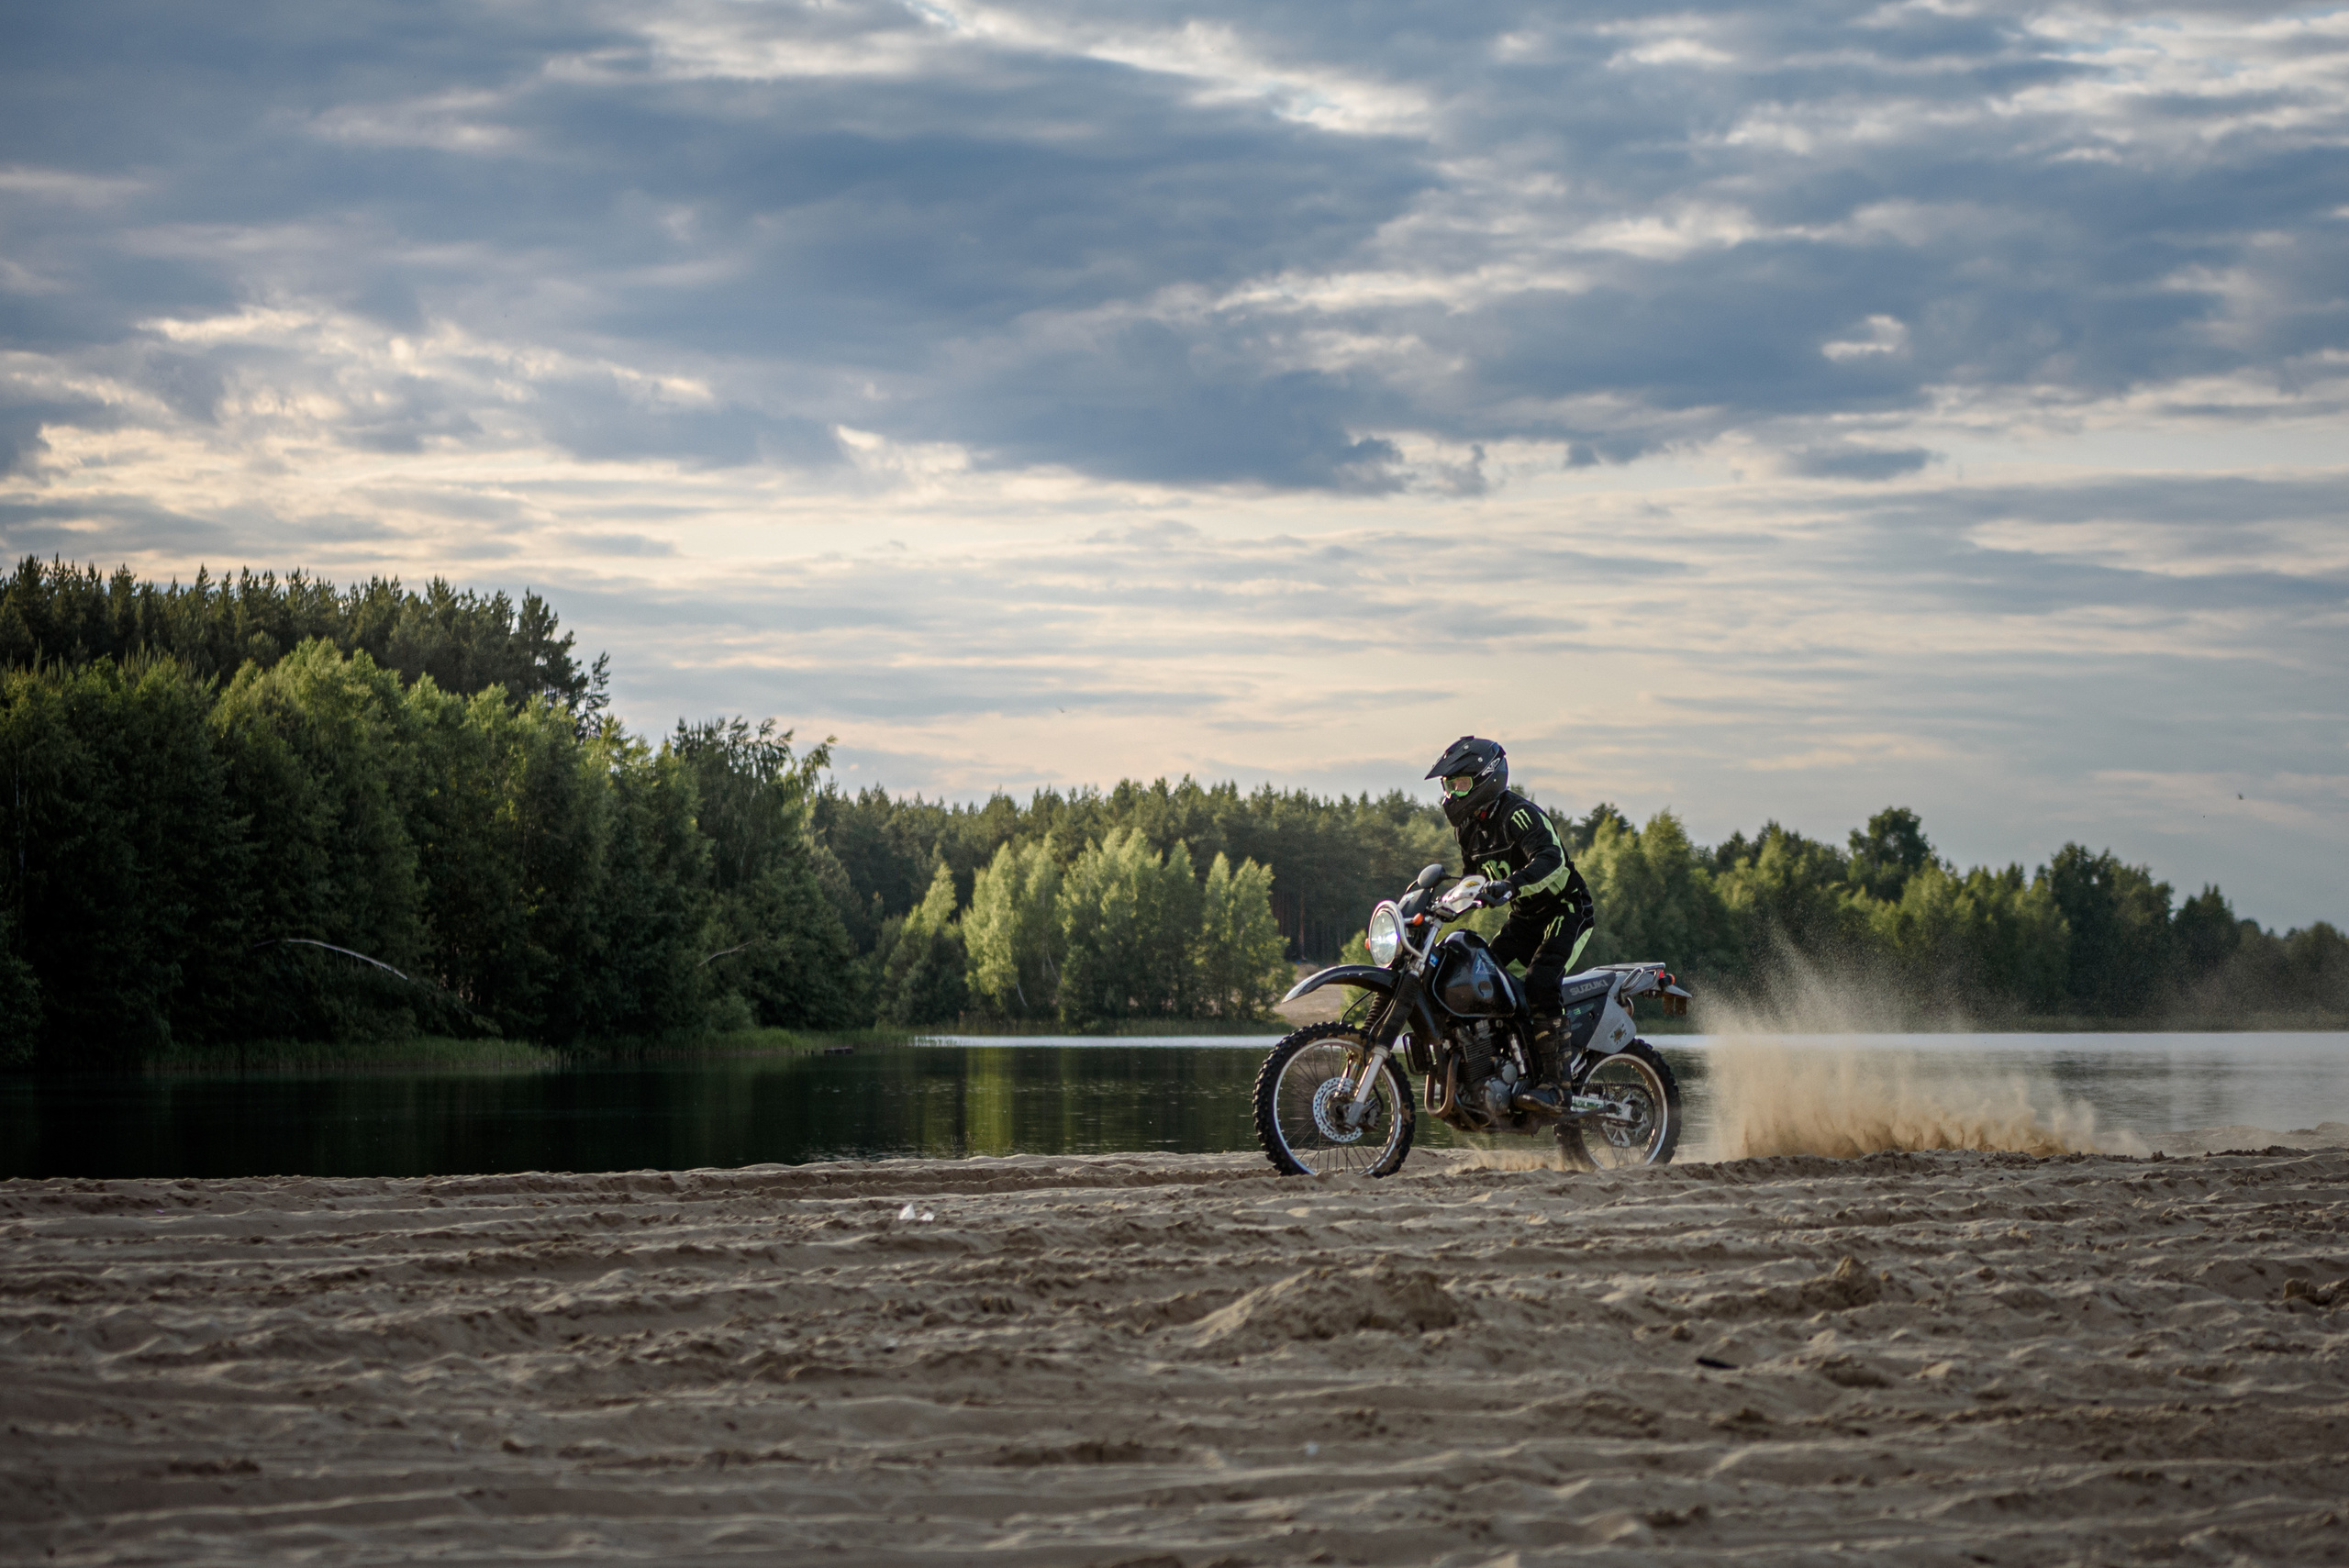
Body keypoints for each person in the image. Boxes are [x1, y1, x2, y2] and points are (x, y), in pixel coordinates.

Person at [1424, 736, 1596, 1114]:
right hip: (1524, 918)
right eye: (1449, 786)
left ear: (1487, 778)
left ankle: (1557, 1087)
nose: (1453, 794)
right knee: (1479, 980)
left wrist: (1509, 885)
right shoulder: (1467, 829)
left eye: (1461, 784)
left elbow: (1552, 859)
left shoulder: (1519, 815)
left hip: (1565, 909)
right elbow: (1472, 881)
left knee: (1540, 982)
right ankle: (1504, 1069)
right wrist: (1438, 908)